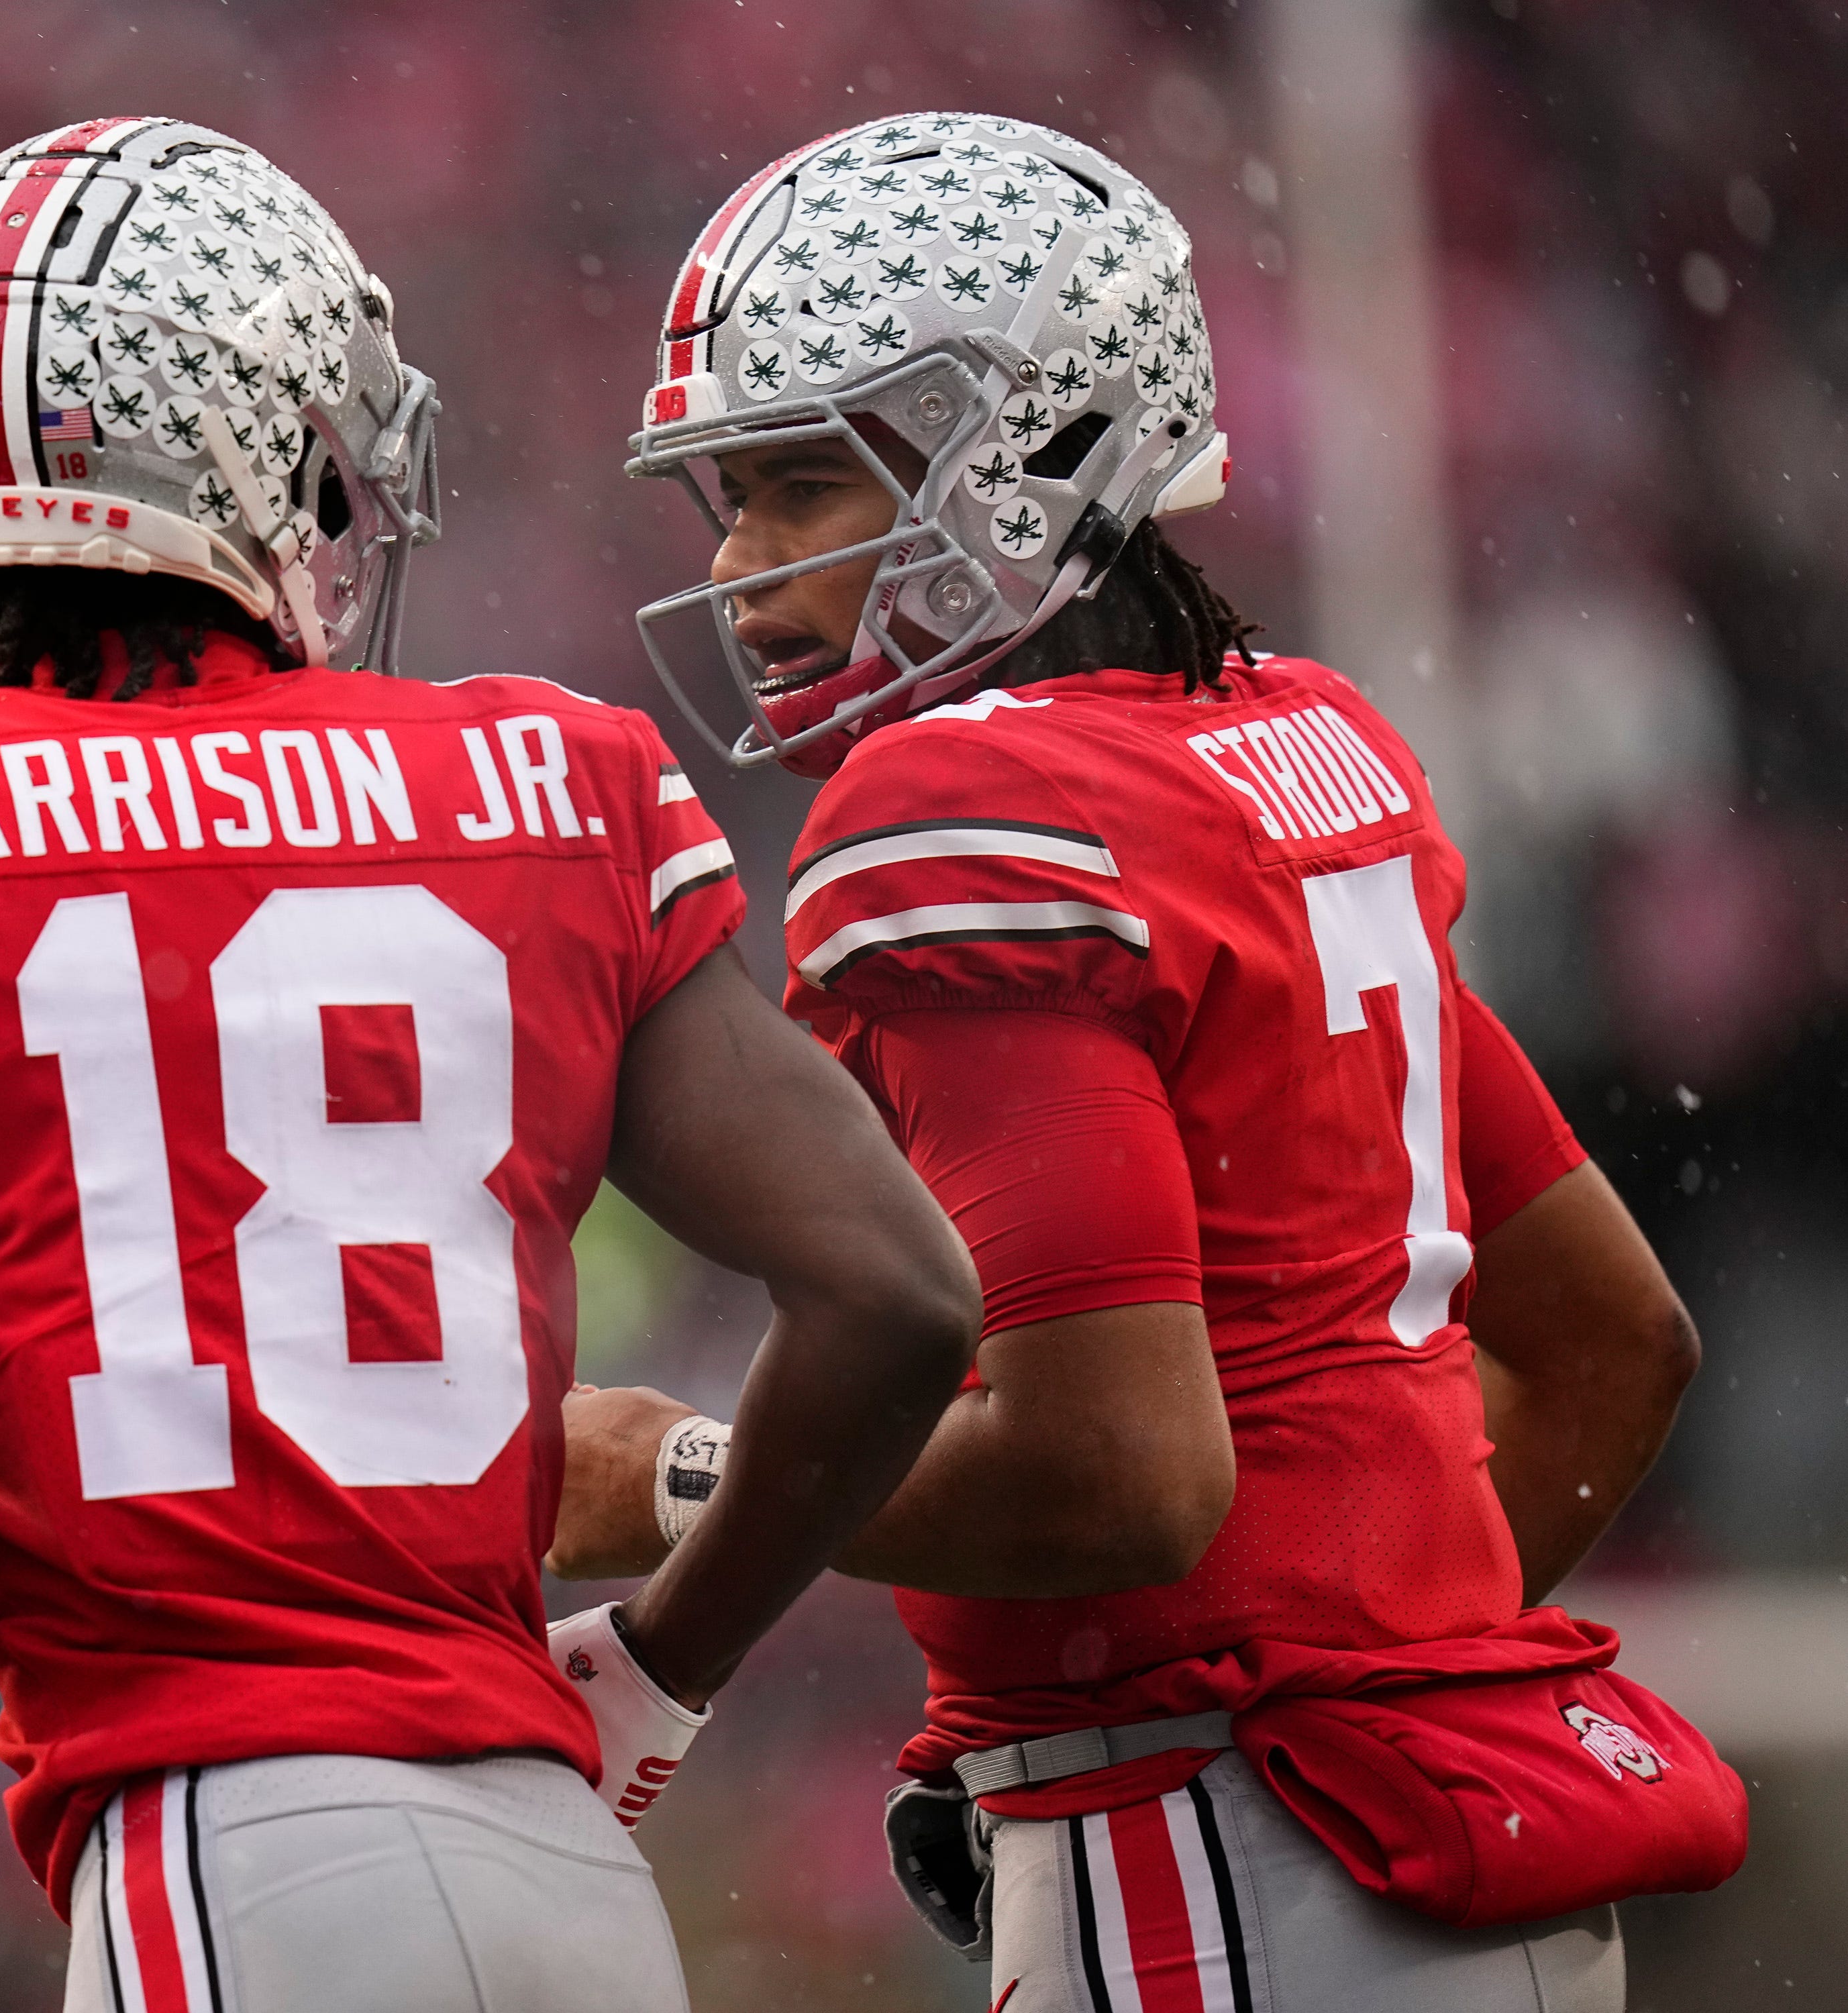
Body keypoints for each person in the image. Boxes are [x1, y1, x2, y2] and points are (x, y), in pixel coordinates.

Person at [0, 117, 980, 2013]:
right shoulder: (551, 776)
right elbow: (900, 1294)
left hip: (227, 1846)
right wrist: (667, 1657)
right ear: (266, 449)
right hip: (565, 1870)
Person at [554, 112, 1744, 2013]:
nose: (745, 568)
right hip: (1448, 1853)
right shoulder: (1285, 745)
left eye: (801, 487)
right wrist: (1372, 1691)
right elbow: (1617, 1346)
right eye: (727, 501)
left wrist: (662, 1477)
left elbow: (1116, 1481)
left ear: (1027, 462)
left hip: (1229, 1872)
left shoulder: (958, 813)